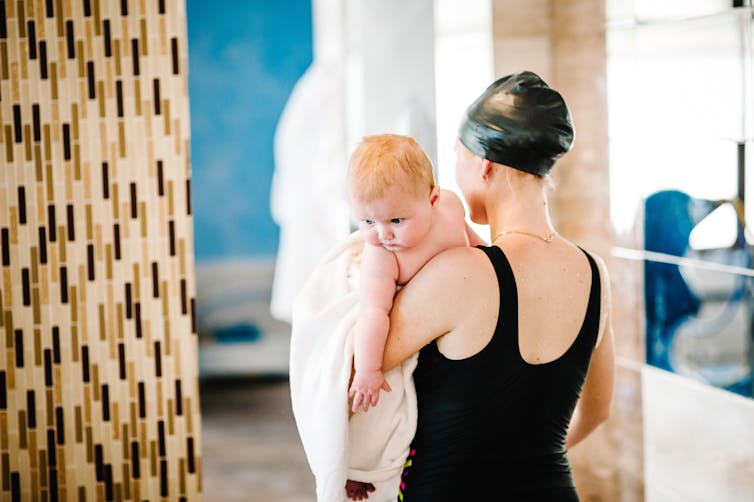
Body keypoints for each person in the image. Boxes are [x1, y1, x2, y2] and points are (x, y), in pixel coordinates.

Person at [376, 71, 615, 500]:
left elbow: (354, 372)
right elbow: (598, 410)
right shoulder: (594, 274)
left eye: (456, 156)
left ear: (484, 165)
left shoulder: (459, 273)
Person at [346, 134, 484, 414]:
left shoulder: (450, 205)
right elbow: (373, 313)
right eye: (368, 221)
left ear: (433, 200)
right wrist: (368, 369)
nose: (383, 234)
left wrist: (494, 258)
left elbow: (470, 237)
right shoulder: (382, 256)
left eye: (396, 221)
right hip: (412, 317)